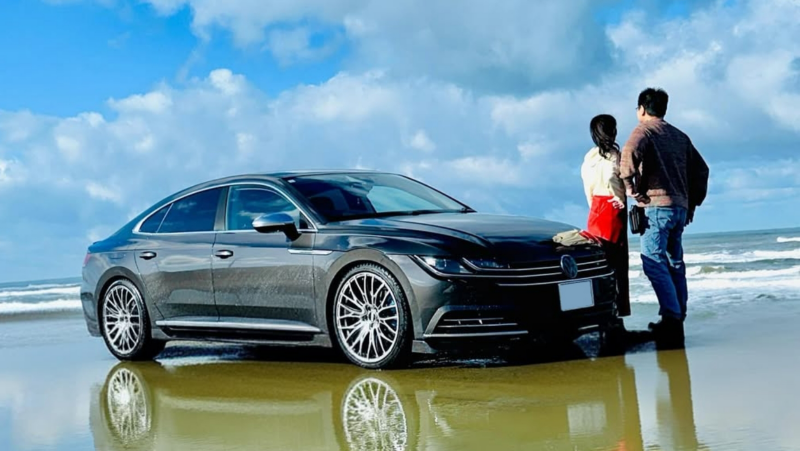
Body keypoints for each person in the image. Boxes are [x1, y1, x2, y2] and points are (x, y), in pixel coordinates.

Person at [620, 88, 709, 349]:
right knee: (674, 263)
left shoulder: (644, 131)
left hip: (656, 207)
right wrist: (692, 203)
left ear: (642, 109)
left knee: (653, 263)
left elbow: (628, 156)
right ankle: (677, 316)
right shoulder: (680, 136)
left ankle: (671, 317)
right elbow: (702, 170)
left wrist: (630, 189)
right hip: (679, 208)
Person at [581, 114, 631, 319]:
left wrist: (595, 206)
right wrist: (621, 198)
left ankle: (599, 310)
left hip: (595, 209)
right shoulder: (616, 156)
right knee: (618, 262)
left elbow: (588, 189)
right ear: (612, 132)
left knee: (599, 260)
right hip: (612, 209)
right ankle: (618, 310)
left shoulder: (589, 157)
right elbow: (619, 182)